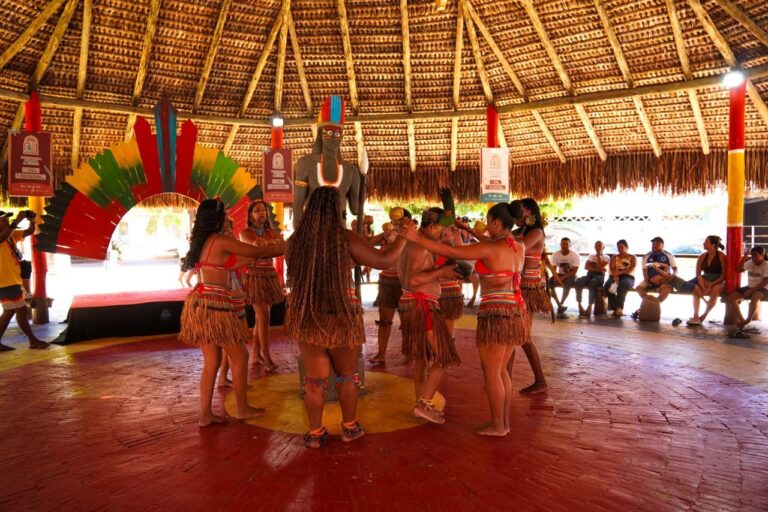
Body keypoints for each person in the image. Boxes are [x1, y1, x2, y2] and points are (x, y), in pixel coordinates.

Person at [285, 187, 407, 448]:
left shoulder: (296, 241)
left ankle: (315, 433)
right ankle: (349, 427)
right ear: (336, 210)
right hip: (342, 316)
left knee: (314, 381)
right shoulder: (345, 238)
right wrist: (403, 238)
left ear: (308, 208)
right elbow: (384, 261)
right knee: (347, 376)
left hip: (308, 316)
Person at [399, 201, 528, 436]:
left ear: (498, 223)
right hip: (516, 311)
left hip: (496, 313)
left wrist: (417, 238)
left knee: (492, 373)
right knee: (501, 373)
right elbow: (490, 243)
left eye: (489, 223)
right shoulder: (518, 245)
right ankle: (503, 422)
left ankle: (498, 425)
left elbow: (454, 252)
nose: (486, 228)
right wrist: (468, 231)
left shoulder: (489, 249)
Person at [179, 199, 285, 427]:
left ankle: (205, 414)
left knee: (212, 360)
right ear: (217, 218)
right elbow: (255, 251)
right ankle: (242, 407)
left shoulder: (204, 242)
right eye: (224, 215)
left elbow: (233, 262)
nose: (228, 218)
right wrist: (288, 245)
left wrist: (260, 252)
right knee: (240, 356)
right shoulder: (220, 240)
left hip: (201, 303)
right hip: (216, 305)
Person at [397, 205, 462, 424]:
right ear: (432, 226)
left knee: (421, 358)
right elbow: (413, 281)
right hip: (422, 305)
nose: (446, 233)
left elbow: (415, 277)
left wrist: (438, 276)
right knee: (443, 355)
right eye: (444, 229)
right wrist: (441, 272)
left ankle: (421, 402)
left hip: (413, 304)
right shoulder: (420, 248)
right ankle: (423, 403)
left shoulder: (411, 244)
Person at [240, 200, 284, 371]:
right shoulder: (245, 233)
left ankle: (256, 354)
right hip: (255, 276)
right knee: (264, 317)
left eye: (263, 210)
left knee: (262, 318)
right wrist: (271, 243)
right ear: (251, 215)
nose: (261, 213)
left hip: (269, 276)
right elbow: (257, 245)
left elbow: (280, 243)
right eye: (257, 210)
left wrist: (271, 242)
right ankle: (266, 358)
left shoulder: (269, 231)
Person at [511, 198, 549, 394]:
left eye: (521, 211)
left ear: (530, 212)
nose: (518, 215)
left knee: (524, 337)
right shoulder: (518, 233)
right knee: (510, 335)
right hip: (516, 287)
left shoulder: (536, 233)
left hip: (529, 289)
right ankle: (504, 378)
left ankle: (541, 381)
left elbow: (518, 247)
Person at [0, 210, 49, 352]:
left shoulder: (10, 235)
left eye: (7, 220)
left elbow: (29, 231)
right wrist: (17, 221)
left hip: (13, 280)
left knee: (12, 312)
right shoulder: (4, 236)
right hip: (5, 282)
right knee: (17, 311)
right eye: (3, 220)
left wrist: (32, 220)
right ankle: (33, 341)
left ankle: (33, 341)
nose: (7, 222)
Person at [369, 211, 412, 365]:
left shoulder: (410, 235)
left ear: (406, 220)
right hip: (386, 281)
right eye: (393, 220)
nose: (395, 223)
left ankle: (408, 352)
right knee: (384, 322)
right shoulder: (388, 234)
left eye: (399, 220)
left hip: (403, 282)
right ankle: (381, 354)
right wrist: (383, 234)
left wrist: (395, 238)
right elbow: (367, 243)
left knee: (406, 321)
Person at [727, 246, 768, 336]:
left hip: (764, 288)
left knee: (755, 297)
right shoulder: (750, 262)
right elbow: (738, 270)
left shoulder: (766, 265)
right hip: (750, 287)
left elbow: (765, 281)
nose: (753, 258)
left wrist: (751, 291)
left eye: (756, 256)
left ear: (762, 255)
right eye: (752, 255)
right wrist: (744, 257)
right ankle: (742, 320)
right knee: (732, 298)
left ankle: (748, 319)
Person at [687, 236, 726, 326]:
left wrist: (712, 284)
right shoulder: (702, 256)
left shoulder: (721, 256)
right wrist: (704, 285)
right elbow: (698, 274)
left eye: (706, 242)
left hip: (718, 280)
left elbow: (724, 275)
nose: (704, 243)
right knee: (695, 290)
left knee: (714, 292)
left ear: (713, 244)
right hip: (704, 279)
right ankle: (695, 316)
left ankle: (704, 315)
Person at [438, 226, 465, 338]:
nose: (444, 231)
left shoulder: (456, 249)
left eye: (448, 229)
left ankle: (446, 353)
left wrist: (457, 233)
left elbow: (462, 258)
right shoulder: (430, 245)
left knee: (447, 334)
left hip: (450, 294)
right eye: (441, 228)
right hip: (432, 293)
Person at [636, 237, 682, 303]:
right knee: (639, 288)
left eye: (657, 244)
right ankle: (649, 302)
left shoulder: (668, 255)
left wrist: (672, 276)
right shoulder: (646, 256)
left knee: (667, 289)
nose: (655, 246)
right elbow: (644, 270)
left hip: (664, 279)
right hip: (650, 279)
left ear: (663, 245)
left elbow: (675, 269)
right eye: (653, 244)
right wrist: (647, 280)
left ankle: (656, 303)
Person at [574, 241, 610, 317]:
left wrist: (598, 258)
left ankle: (589, 306)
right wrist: (598, 269)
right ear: (594, 247)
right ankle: (579, 305)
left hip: (599, 277)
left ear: (603, 247)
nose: (598, 247)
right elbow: (586, 267)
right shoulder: (591, 256)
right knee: (578, 282)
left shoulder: (606, 257)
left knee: (592, 283)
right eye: (596, 246)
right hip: (590, 275)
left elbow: (601, 267)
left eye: (600, 246)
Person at [604, 239, 636, 318]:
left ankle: (619, 308)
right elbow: (612, 268)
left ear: (627, 247)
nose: (620, 249)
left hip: (628, 276)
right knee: (608, 285)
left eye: (621, 247)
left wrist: (618, 274)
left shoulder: (632, 257)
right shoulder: (614, 257)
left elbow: (630, 269)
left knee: (623, 285)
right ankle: (616, 309)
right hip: (615, 275)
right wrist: (615, 276)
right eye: (618, 247)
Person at [548, 237, 580, 317]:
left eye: (566, 244)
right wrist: (557, 278)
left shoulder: (575, 255)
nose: (564, 245)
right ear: (560, 245)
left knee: (568, 283)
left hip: (571, 275)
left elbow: (574, 271)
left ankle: (561, 303)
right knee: (549, 282)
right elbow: (554, 270)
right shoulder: (555, 254)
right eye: (563, 244)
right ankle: (559, 305)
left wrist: (563, 278)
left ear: (570, 245)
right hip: (559, 275)